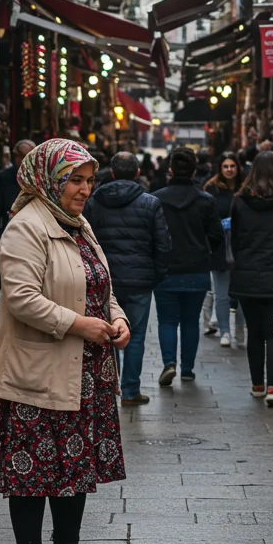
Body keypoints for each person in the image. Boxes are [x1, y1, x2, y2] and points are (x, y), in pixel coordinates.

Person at [0, 139, 129, 544]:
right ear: (48, 180)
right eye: (75, 180)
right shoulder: (26, 227)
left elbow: (98, 286)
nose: (84, 190)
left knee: (75, 467)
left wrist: (117, 318)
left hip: (86, 370)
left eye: (88, 181)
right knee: (33, 473)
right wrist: (79, 324)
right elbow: (22, 298)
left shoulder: (79, 225)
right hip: (40, 371)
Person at [83, 152, 170, 406]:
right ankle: (130, 390)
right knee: (136, 334)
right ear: (137, 173)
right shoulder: (150, 202)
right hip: (139, 280)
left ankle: (109, 388)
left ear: (111, 173)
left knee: (107, 333)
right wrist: (157, 274)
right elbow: (162, 244)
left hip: (103, 280)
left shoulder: (94, 200)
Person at [229, 151, 273, 407]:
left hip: (247, 276)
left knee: (254, 332)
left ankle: (257, 384)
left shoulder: (239, 201)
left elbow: (235, 240)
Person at [151, 147, 224, 386]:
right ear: (194, 171)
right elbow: (215, 235)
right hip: (197, 267)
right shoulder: (205, 200)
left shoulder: (157, 199)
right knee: (190, 321)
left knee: (167, 320)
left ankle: (169, 363)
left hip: (166, 269)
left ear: (170, 170)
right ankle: (188, 369)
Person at [202, 152, 245, 347]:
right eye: (226, 166)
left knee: (243, 292)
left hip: (242, 246)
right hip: (219, 246)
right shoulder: (211, 189)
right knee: (221, 293)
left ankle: (240, 329)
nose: (229, 170)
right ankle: (225, 331)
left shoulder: (246, 188)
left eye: (232, 166)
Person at [0, 139, 37, 245]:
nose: (23, 161)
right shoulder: (4, 177)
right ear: (15, 156)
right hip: (10, 234)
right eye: (21, 156)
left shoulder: (39, 179)